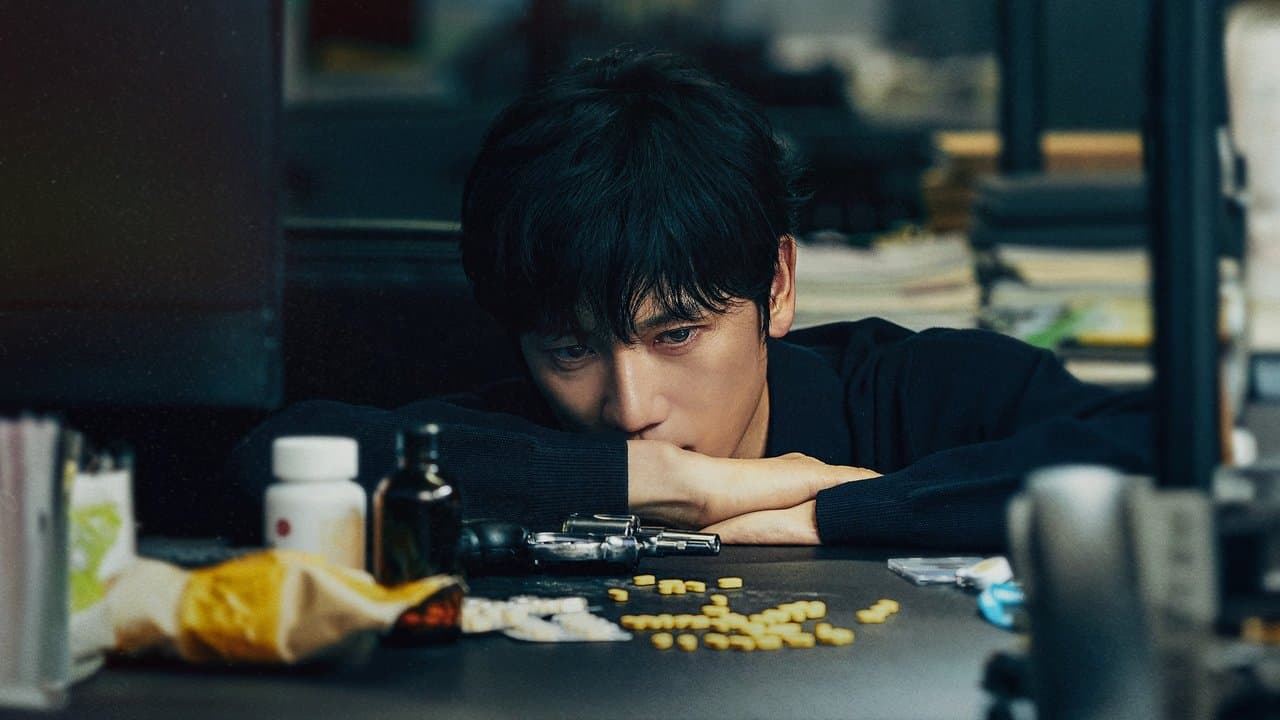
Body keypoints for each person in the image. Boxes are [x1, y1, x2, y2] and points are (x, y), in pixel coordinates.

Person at [228, 47, 1151, 549]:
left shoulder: (915, 393)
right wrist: (682, 485)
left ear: (776, 287)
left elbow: (1154, 454)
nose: (628, 408)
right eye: (570, 349)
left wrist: (831, 512)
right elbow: (274, 459)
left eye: (676, 334)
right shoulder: (524, 428)